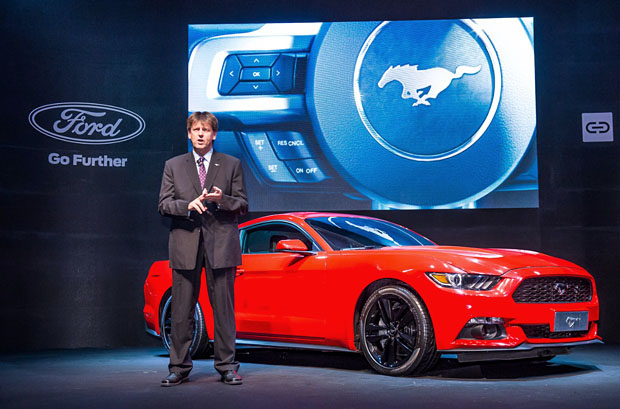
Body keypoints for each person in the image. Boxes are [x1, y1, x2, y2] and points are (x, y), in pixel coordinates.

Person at [158, 111, 248, 386]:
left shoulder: (231, 164)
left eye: (205, 130)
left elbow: (242, 204)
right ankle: (178, 367)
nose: (200, 134)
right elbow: (163, 204)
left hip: (221, 245)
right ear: (189, 134)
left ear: (214, 134)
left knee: (223, 311)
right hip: (185, 244)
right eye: (196, 129)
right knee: (182, 311)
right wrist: (186, 205)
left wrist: (222, 200)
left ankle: (227, 366)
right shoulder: (174, 165)